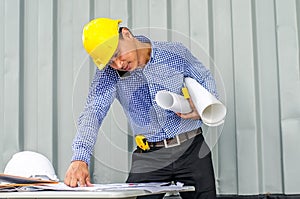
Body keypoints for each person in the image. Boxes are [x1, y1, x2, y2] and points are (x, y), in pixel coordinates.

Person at [64, 18, 218, 199]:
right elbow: (93, 111)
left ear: (127, 34)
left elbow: (204, 76)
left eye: (117, 54)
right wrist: (80, 157)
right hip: (149, 157)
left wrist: (201, 106)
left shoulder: (174, 53)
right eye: (110, 61)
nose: (118, 64)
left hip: (192, 150)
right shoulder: (109, 74)